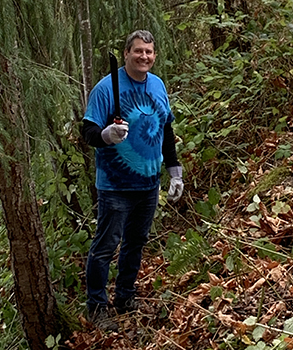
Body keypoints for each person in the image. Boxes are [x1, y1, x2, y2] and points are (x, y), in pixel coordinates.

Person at [82, 30, 184, 331]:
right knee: (105, 247)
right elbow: (86, 132)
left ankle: (125, 296)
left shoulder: (157, 85)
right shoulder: (105, 89)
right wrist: (105, 136)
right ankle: (97, 307)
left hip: (149, 184)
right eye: (138, 51)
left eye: (149, 52)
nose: (144, 57)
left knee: (135, 243)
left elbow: (165, 130)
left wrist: (174, 171)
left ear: (154, 55)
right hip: (115, 186)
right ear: (127, 53)